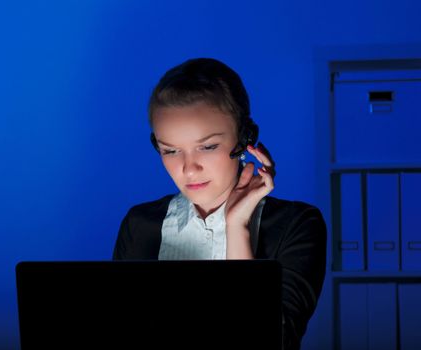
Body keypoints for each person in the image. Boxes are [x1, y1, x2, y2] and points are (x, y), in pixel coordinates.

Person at [112, 58, 327, 350]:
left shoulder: (296, 225)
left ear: (244, 139)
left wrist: (237, 226)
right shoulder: (139, 225)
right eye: (170, 150)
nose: (189, 169)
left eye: (208, 146)